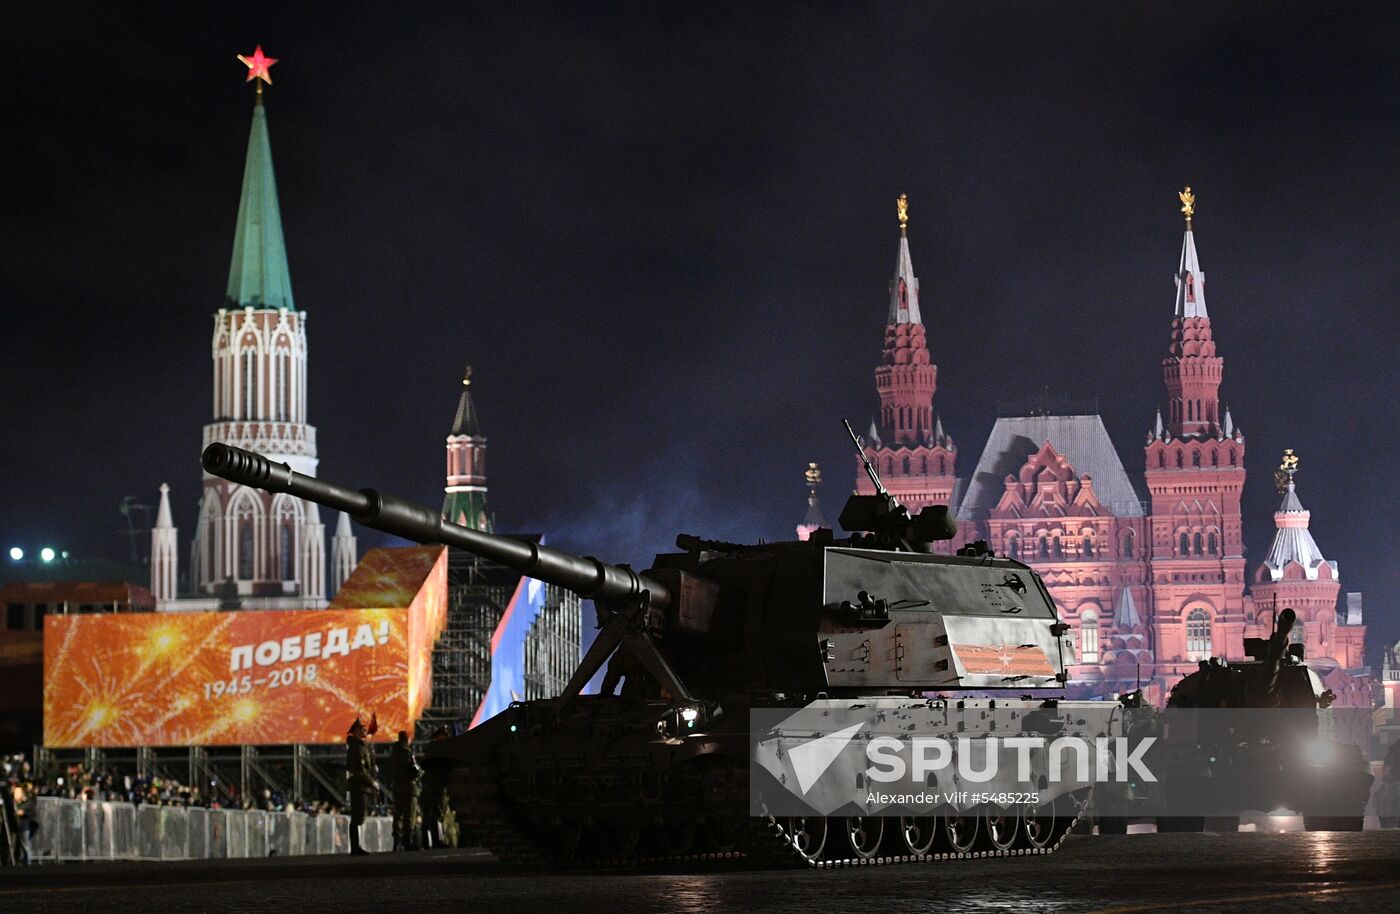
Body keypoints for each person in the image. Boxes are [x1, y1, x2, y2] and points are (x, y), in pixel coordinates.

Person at [345, 714, 380, 855]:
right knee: (358, 816)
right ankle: (355, 847)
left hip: (362, 785)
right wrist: (372, 782)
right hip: (359, 785)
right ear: (356, 730)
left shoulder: (362, 746)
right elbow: (359, 769)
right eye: (362, 728)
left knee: (361, 815)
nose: (365, 729)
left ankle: (357, 846)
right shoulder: (356, 748)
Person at [419, 726, 455, 849]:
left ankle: (431, 841)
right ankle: (436, 840)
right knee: (436, 813)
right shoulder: (437, 750)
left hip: (434, 784)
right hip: (436, 785)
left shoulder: (433, 749)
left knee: (434, 813)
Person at [389, 731, 421, 851]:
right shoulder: (407, 752)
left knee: (398, 814)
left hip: (397, 786)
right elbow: (414, 770)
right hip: (408, 786)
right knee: (409, 815)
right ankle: (408, 841)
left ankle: (396, 842)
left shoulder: (393, 753)